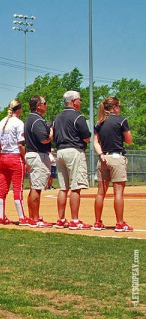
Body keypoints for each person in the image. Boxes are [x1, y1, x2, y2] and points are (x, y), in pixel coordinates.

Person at [93, 97, 133, 232]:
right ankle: (120, 223)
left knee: (100, 193)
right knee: (118, 193)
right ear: (115, 107)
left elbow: (95, 142)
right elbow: (129, 140)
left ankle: (97, 222)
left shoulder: (99, 122)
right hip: (117, 158)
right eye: (119, 106)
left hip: (103, 158)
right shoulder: (121, 120)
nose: (120, 109)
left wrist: (101, 155)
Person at [53, 90, 92, 230]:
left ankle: (61, 219)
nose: (80, 102)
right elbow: (87, 137)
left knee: (63, 188)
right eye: (79, 99)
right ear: (74, 101)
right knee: (75, 187)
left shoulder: (57, 117)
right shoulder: (78, 116)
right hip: (74, 151)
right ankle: (75, 220)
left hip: (61, 151)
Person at [24, 95, 53, 228]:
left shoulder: (31, 118)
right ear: (38, 106)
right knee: (37, 188)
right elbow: (44, 139)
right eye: (44, 103)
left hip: (32, 154)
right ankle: (35, 219)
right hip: (37, 155)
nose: (46, 106)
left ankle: (32, 217)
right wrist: (51, 131)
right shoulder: (36, 120)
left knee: (34, 187)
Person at [0, 99, 26, 224]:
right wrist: (25, 158)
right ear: (18, 109)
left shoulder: (1, 123)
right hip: (15, 157)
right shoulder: (19, 123)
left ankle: (1, 216)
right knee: (18, 189)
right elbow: (21, 144)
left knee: (3, 189)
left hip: (4, 157)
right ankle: (22, 217)